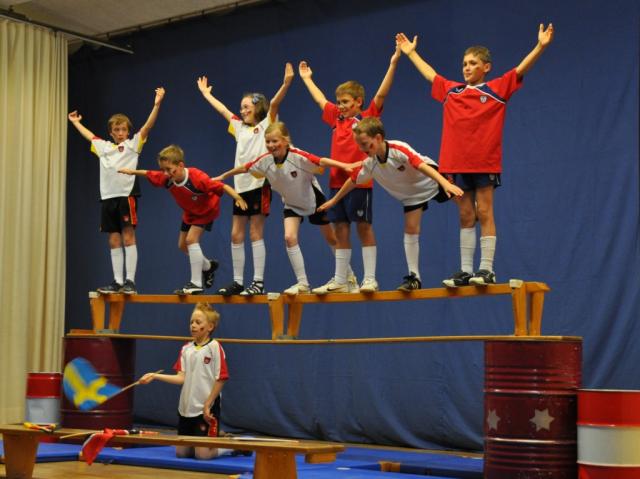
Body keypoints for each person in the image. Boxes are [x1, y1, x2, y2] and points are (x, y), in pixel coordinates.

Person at [396, 24, 554, 287]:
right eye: (464, 64)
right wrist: (411, 53)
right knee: (465, 215)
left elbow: (520, 70)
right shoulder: (452, 91)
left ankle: (486, 269)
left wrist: (540, 46)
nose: (466, 68)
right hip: (455, 164)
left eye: (472, 63)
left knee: (485, 211)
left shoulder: (496, 90)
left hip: (484, 163)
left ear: (486, 67)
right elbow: (431, 75)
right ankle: (466, 270)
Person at [298, 47, 400, 295]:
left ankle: (370, 279)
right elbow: (320, 100)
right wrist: (307, 79)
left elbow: (382, 93)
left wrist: (393, 63)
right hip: (336, 183)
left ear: (358, 102)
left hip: (359, 183)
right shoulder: (336, 118)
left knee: (363, 227)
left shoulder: (366, 118)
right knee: (340, 230)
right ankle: (342, 280)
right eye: (339, 102)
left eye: (345, 102)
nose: (340, 106)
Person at [319, 117, 463, 290]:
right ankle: (414, 278)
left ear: (378, 138)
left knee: (469, 212)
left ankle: (471, 270)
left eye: (365, 144)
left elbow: (420, 165)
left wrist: (446, 183)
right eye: (359, 146)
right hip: (412, 195)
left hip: (432, 180)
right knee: (410, 229)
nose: (362, 149)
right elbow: (353, 180)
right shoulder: (370, 163)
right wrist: (334, 200)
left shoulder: (398, 149)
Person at [214, 122, 356, 295]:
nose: (271, 145)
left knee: (331, 238)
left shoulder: (297, 156)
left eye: (275, 141)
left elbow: (321, 161)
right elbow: (245, 167)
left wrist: (344, 166)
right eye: (268, 142)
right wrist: (223, 176)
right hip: (291, 204)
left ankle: (349, 276)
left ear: (285, 141)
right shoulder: (265, 161)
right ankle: (303, 284)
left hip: (313, 200)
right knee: (289, 237)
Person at [197, 64, 294, 297]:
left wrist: (286, 83)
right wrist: (207, 94)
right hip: (240, 188)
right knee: (235, 234)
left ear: (257, 108)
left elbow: (275, 103)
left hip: (259, 184)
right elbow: (223, 110)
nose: (242, 111)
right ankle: (238, 282)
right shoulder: (238, 127)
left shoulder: (265, 125)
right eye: (241, 107)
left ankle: (258, 282)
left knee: (255, 233)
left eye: (247, 107)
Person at [67, 87, 166, 295]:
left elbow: (148, 126)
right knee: (113, 240)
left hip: (125, 196)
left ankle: (130, 281)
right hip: (107, 198)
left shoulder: (132, 145)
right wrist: (76, 122)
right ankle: (117, 282)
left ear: (128, 132)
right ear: (111, 132)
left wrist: (156, 105)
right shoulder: (104, 147)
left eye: (123, 130)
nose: (120, 133)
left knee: (128, 237)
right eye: (116, 130)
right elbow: (90, 136)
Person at [119, 145, 247, 294]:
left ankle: (196, 283)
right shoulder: (167, 178)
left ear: (180, 165)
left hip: (206, 210)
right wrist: (132, 172)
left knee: (191, 240)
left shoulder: (197, 177)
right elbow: (148, 173)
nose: (166, 174)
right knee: (182, 245)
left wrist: (238, 197)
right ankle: (208, 266)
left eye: (170, 170)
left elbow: (222, 187)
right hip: (190, 212)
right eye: (163, 170)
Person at [139, 303, 231, 459]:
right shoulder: (186, 349)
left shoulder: (215, 347)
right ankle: (215, 437)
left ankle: (232, 447)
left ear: (210, 327)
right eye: (191, 322)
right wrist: (154, 376)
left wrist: (208, 403)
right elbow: (181, 378)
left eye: (198, 322)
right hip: (186, 409)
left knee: (202, 455)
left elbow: (221, 378)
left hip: (205, 409)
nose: (193, 325)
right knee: (182, 453)